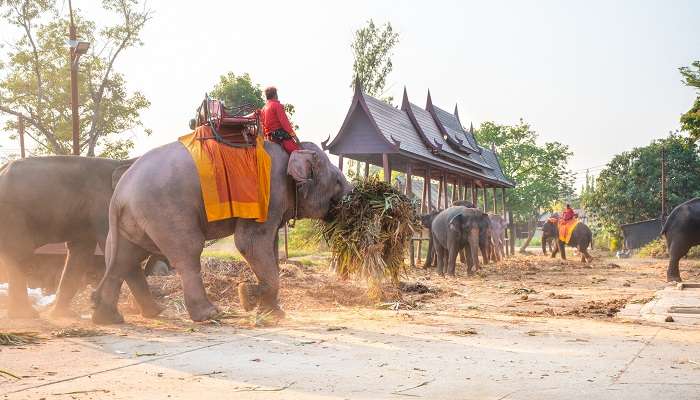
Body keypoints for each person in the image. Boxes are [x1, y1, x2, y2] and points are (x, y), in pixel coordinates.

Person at [259, 86, 300, 154]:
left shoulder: (263, 109)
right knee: (297, 153)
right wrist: (294, 136)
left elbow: (263, 125)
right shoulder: (277, 106)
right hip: (280, 136)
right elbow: (285, 124)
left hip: (269, 138)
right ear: (275, 95)